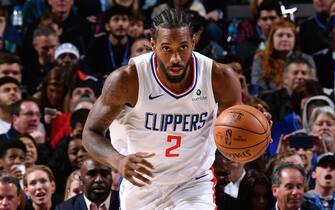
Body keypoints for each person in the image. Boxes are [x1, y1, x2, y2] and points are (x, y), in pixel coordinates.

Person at [83, 8, 271, 210]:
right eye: (166, 48)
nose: (175, 58)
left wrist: (257, 131)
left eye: (182, 47)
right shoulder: (127, 80)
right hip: (142, 183)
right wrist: (118, 161)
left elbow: (232, 136)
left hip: (193, 182)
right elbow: (90, 133)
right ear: (153, 45)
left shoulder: (220, 77)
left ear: (193, 40)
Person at [55, 158, 119, 210]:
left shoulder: (124, 201)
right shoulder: (64, 208)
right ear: (81, 180)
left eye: (104, 174)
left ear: (111, 177)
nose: (99, 179)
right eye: (92, 174)